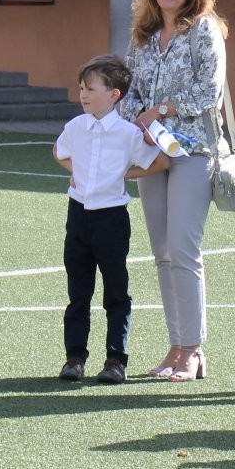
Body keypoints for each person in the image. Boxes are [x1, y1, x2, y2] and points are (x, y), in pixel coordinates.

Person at [122, 0, 228, 383]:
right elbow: (128, 91)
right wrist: (139, 119)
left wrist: (161, 111)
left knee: (183, 250)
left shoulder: (204, 29)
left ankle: (193, 349)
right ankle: (175, 345)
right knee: (162, 254)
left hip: (193, 151)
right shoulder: (143, 35)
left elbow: (209, 91)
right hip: (152, 153)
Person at [54, 54, 168, 384]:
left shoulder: (128, 134)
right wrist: (78, 171)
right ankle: (74, 358)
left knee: (116, 291)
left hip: (111, 219)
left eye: (91, 89)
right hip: (78, 216)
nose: (83, 94)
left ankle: (116, 360)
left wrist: (121, 175)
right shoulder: (75, 127)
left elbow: (159, 162)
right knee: (78, 292)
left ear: (114, 95)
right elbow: (59, 152)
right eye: (81, 88)